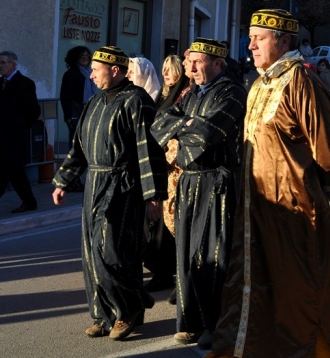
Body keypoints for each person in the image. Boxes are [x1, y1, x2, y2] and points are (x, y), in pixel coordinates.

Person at [206, 9, 330, 358]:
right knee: (255, 278)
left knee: (295, 284)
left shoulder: (301, 81)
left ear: (284, 41)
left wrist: (320, 188)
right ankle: (249, 346)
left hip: (293, 206)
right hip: (257, 205)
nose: (251, 45)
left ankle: (304, 349)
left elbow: (324, 149)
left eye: (258, 38)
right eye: (250, 38)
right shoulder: (260, 82)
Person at [52, 46, 168, 340]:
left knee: (113, 252)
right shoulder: (93, 103)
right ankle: (103, 315)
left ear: (114, 70)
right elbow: (78, 148)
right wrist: (63, 181)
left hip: (123, 186)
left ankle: (127, 310)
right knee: (91, 253)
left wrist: (153, 196)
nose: (90, 75)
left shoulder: (137, 101)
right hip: (94, 184)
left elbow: (148, 150)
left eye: (95, 69)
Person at [151, 38, 247, 349]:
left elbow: (209, 135)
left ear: (217, 64)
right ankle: (190, 321)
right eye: (189, 61)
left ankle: (215, 323)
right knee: (185, 255)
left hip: (216, 183)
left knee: (212, 255)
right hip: (188, 181)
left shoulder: (231, 92)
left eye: (198, 61)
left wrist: (183, 129)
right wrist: (188, 122)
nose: (190, 67)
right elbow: (159, 123)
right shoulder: (191, 94)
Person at [142, 54, 192, 297]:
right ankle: (160, 272)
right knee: (157, 221)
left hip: (174, 167)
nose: (166, 74)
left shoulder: (184, 94)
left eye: (171, 69)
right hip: (159, 166)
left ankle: (173, 274)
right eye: (163, 69)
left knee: (172, 220)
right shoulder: (162, 95)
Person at [0, 51, 41, 213]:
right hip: (1, 136)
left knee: (6, 171)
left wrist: (20, 127)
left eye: (3, 62)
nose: (0, 66)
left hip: (15, 136)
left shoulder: (24, 83)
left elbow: (33, 110)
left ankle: (30, 202)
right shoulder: (1, 83)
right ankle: (30, 202)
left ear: (13, 64)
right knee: (15, 173)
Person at [60, 46, 96, 150]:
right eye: (81, 56)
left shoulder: (90, 73)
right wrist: (68, 115)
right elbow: (64, 95)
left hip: (88, 108)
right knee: (76, 141)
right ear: (75, 58)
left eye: (86, 55)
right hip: (76, 110)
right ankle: (74, 164)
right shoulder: (71, 74)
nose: (85, 58)